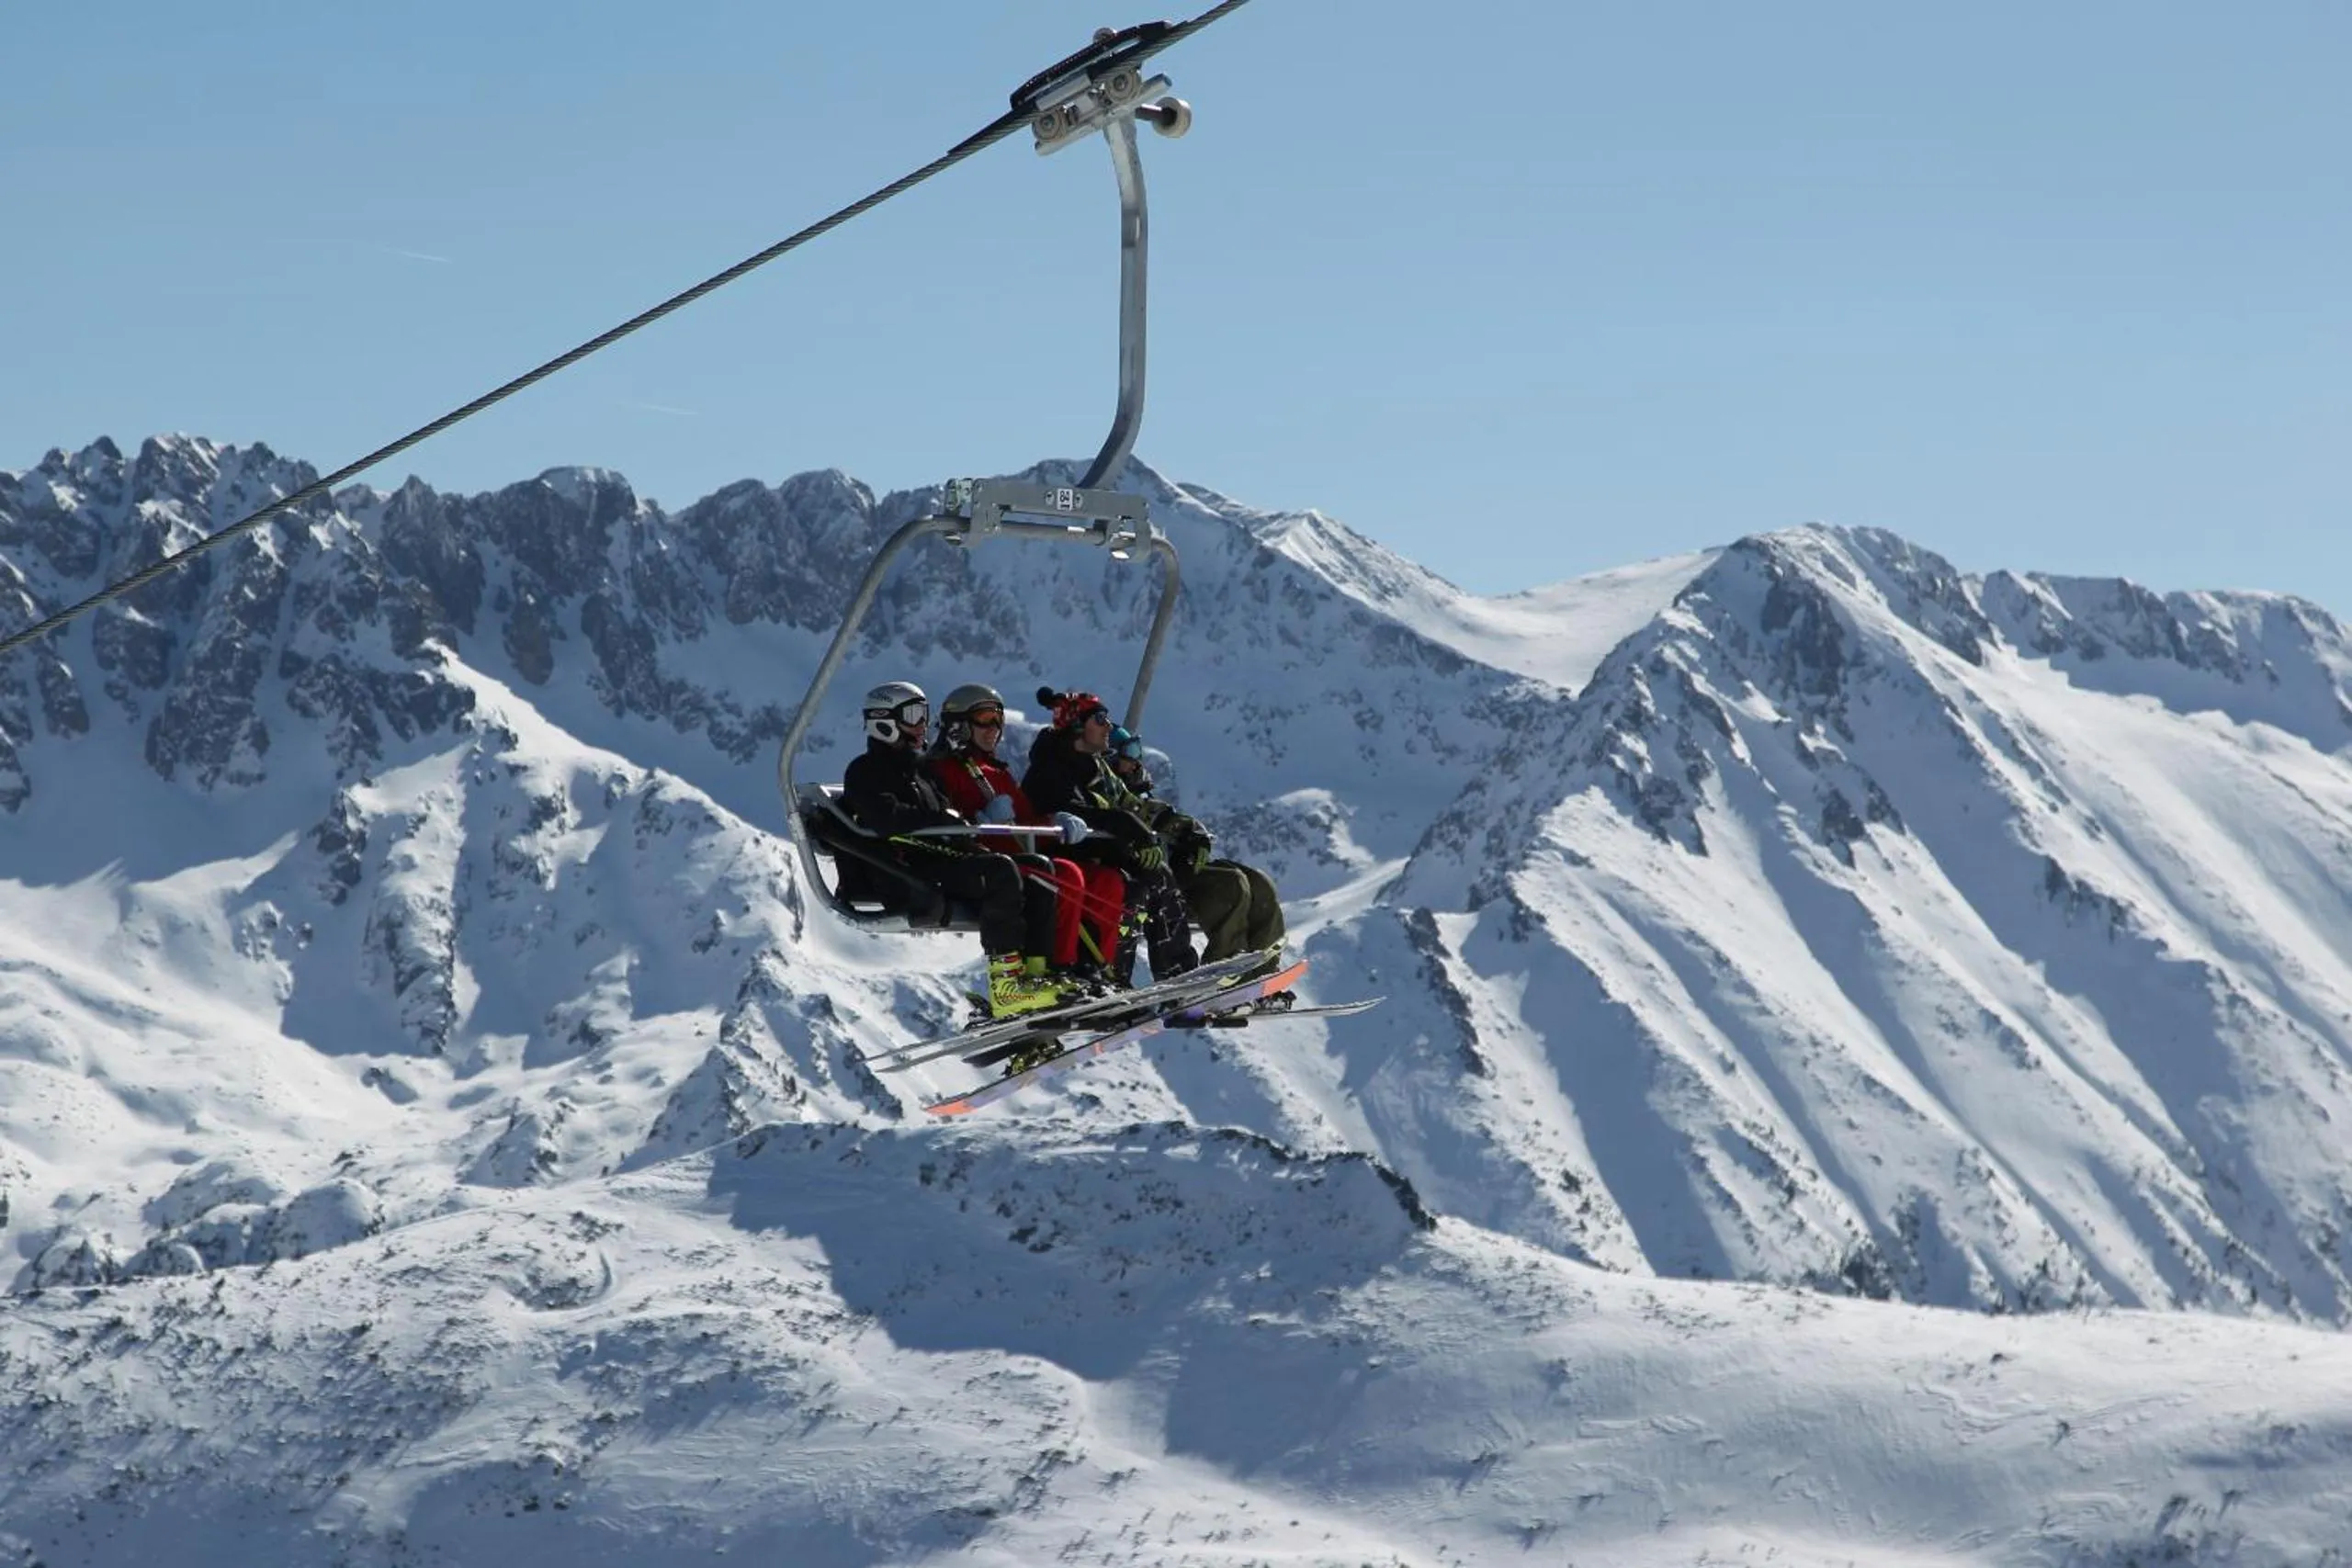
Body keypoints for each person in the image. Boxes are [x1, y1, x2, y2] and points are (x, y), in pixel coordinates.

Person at [838, 679, 1066, 1019]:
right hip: (906, 869)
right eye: (913, 715)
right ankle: (1006, 986)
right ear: (884, 720)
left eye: (923, 715)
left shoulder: (919, 770)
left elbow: (947, 814)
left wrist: (962, 828)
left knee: (1037, 869)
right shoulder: (867, 771)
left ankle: (1035, 973)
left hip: (938, 858)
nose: (921, 725)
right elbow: (886, 818)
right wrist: (939, 819)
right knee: (1001, 871)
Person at [926, 682, 1127, 986]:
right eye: (984, 718)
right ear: (959, 724)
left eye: (998, 719)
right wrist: (979, 822)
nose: (994, 727)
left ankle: (1097, 969)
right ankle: (1055, 970)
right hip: (984, 863)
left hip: (1019, 855)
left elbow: (1026, 820)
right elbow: (938, 815)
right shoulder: (941, 769)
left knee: (1106, 882)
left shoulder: (997, 772)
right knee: (1065, 875)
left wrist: (1054, 823)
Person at [1023, 687, 1197, 984]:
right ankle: (1115, 976)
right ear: (1078, 726)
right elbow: (1077, 813)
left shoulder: (1093, 768)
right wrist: (1129, 830)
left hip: (1092, 857)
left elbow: (1128, 807)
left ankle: (1172, 975)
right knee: (1133, 886)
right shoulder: (1051, 769)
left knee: (1153, 877)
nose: (1109, 726)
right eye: (1100, 719)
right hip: (1059, 861)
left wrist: (1179, 830)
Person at [1106, 725, 1285, 965]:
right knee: (1230, 885)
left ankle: (1261, 972)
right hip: (1142, 879)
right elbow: (1133, 817)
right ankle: (1224, 971)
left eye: (1137, 752)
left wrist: (1192, 833)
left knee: (1258, 883)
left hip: (1171, 872)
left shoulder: (1137, 793)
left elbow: (1162, 816)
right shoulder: (1107, 792)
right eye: (1129, 754)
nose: (1136, 762)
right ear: (1110, 758)